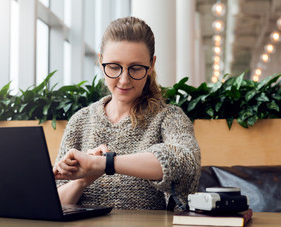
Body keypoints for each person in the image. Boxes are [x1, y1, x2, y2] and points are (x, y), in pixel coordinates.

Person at [52, 16, 201, 210]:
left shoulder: (168, 117)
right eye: (114, 67)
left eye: (136, 68)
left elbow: (186, 161)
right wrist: (83, 180)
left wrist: (104, 164)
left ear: (151, 65)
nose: (123, 80)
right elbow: (55, 203)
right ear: (100, 61)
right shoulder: (80, 121)